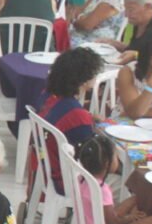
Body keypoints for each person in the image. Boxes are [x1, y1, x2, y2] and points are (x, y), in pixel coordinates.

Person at [30, 47, 103, 198]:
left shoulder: (48, 96)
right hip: (65, 180)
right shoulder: (77, 115)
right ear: (84, 80)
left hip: (42, 168)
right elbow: (90, 158)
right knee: (120, 179)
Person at [75, 135, 152, 224]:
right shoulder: (102, 189)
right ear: (107, 163)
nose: (117, 160)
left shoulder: (81, 179)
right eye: (116, 157)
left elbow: (108, 214)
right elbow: (113, 223)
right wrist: (130, 218)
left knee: (136, 198)